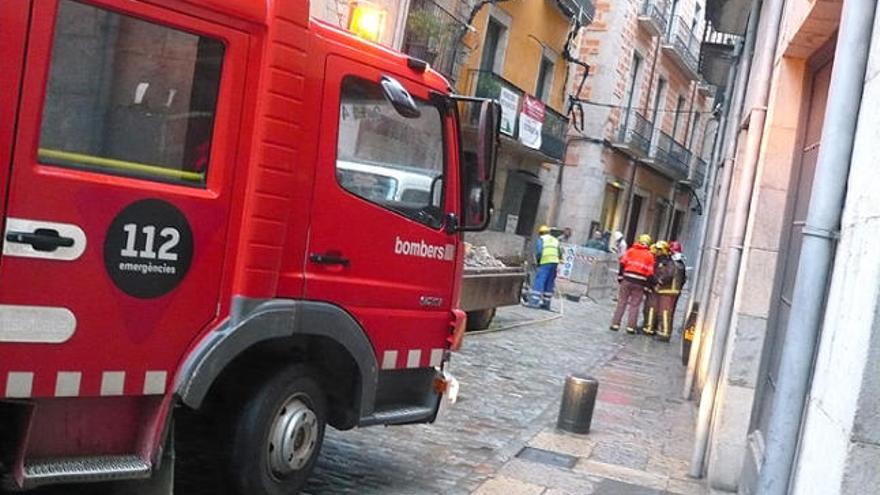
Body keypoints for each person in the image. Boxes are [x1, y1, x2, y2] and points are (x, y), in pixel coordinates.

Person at [610, 234, 655, 334]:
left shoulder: (631, 251)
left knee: (621, 302)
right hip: (640, 283)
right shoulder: (650, 256)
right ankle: (631, 327)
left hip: (627, 279)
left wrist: (620, 277)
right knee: (634, 305)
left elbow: (622, 263)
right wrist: (648, 286)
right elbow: (650, 273)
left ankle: (615, 324)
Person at [654, 241, 686, 341]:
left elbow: (668, 275)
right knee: (669, 313)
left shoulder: (671, 263)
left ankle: (664, 333)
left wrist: (659, 281)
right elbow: (684, 279)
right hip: (675, 291)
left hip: (667, 291)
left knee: (664, 312)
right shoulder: (681, 264)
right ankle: (665, 331)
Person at [529, 225, 561, 310]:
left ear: (540, 233)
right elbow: (560, 252)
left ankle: (534, 301)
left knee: (540, 280)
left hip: (546, 261)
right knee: (549, 282)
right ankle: (546, 303)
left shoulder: (541, 239)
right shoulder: (555, 240)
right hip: (554, 262)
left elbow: (539, 251)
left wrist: (538, 261)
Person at [643, 241, 671, 336]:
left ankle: (650, 328)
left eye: (660, 249)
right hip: (654, 287)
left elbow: (664, 275)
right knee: (649, 308)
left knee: (654, 309)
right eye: (657, 249)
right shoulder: (656, 259)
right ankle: (649, 326)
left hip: (659, 288)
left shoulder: (666, 262)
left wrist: (657, 282)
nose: (658, 251)